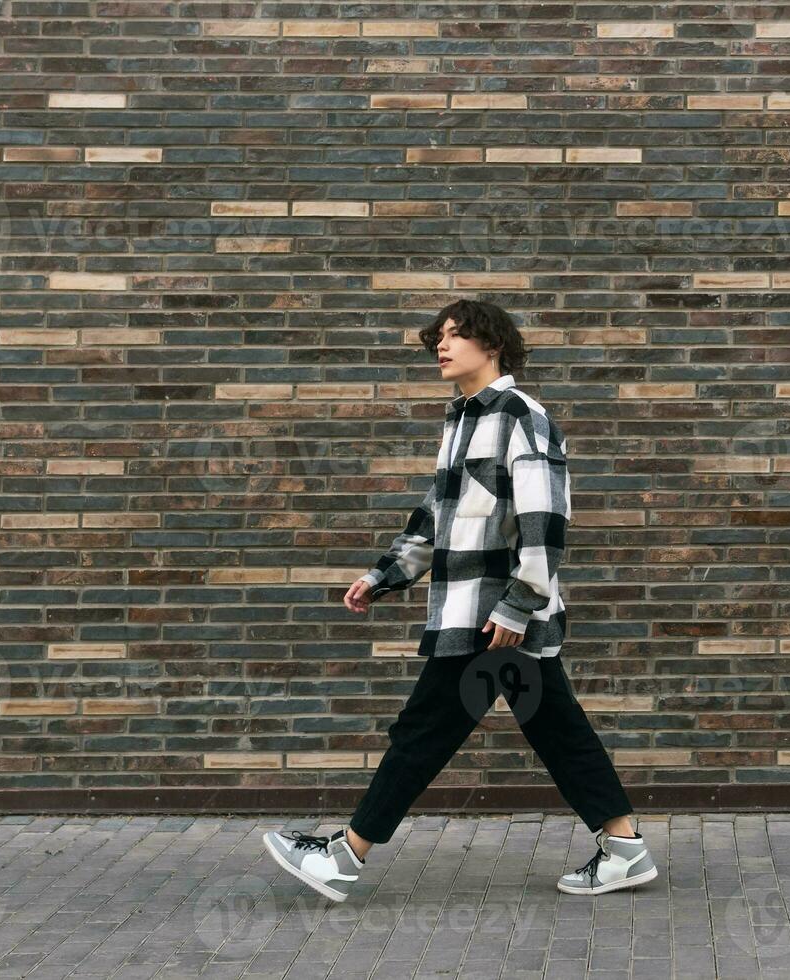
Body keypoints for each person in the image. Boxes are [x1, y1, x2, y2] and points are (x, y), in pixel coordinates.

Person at [263, 298, 656, 902]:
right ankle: (624, 848)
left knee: (423, 730)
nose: (441, 346)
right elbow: (439, 518)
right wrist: (385, 575)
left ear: (492, 344)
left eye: (455, 336)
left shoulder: (521, 415)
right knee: (556, 729)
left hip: (494, 617)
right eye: (438, 338)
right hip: (479, 611)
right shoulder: (464, 419)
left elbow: (545, 519)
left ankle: (344, 855)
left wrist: (518, 604)